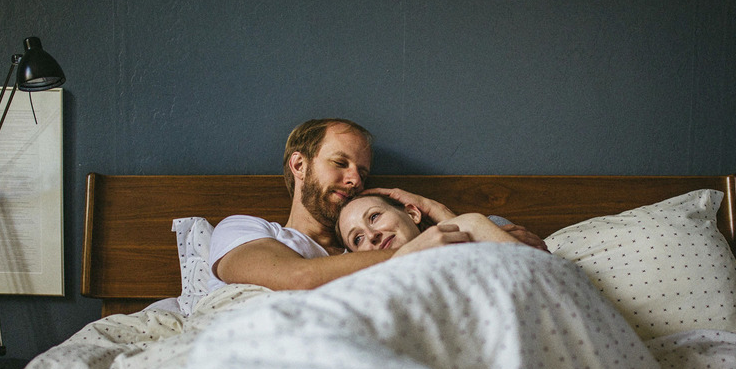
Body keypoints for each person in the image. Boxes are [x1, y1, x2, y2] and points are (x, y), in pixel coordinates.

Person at [210, 118, 544, 292]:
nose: (355, 179)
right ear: (299, 165)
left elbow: (534, 262)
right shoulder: (245, 230)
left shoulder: (365, 249)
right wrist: (421, 250)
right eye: (340, 163)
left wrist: (439, 213)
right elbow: (298, 277)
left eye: (362, 172)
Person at [336, 194, 529, 256]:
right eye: (358, 238)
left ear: (412, 213)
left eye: (374, 216)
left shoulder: (491, 226)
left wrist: (471, 223)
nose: (371, 235)